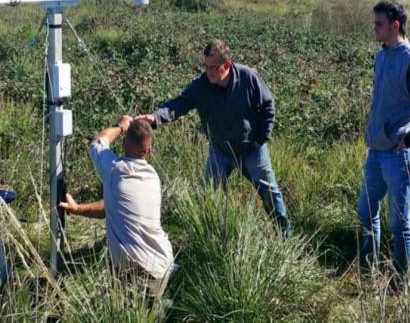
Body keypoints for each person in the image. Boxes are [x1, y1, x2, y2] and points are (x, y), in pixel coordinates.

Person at [138, 39, 291, 237]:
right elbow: (179, 104)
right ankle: (212, 235)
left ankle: (284, 235)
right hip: (220, 151)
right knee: (209, 194)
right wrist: (155, 117)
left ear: (227, 65)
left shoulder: (248, 77)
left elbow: (268, 106)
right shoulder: (201, 86)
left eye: (213, 67)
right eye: (205, 66)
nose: (208, 72)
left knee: (270, 192)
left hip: (252, 150)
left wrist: (260, 139)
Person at [358, 0, 410, 291]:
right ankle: (369, 272)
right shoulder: (382, 56)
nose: (374, 28)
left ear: (395, 26)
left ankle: (398, 284)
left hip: (399, 156)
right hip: (376, 152)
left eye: (379, 24)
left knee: (399, 225)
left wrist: (409, 139)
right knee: (366, 212)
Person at [59, 115, 174, 303]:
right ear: (149, 150)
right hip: (161, 263)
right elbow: (112, 206)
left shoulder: (114, 169)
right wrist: (78, 208)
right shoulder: (152, 177)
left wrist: (120, 126)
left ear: (124, 146)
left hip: (140, 272)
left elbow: (98, 142)